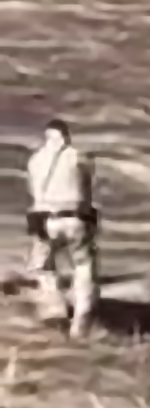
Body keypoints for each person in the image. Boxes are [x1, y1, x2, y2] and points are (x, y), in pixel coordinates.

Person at [25, 118, 99, 339]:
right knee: (83, 266)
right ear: (66, 135)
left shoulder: (35, 160)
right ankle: (81, 317)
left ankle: (55, 308)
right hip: (76, 219)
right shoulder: (79, 157)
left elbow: (34, 193)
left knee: (42, 267)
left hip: (46, 219)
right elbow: (87, 188)